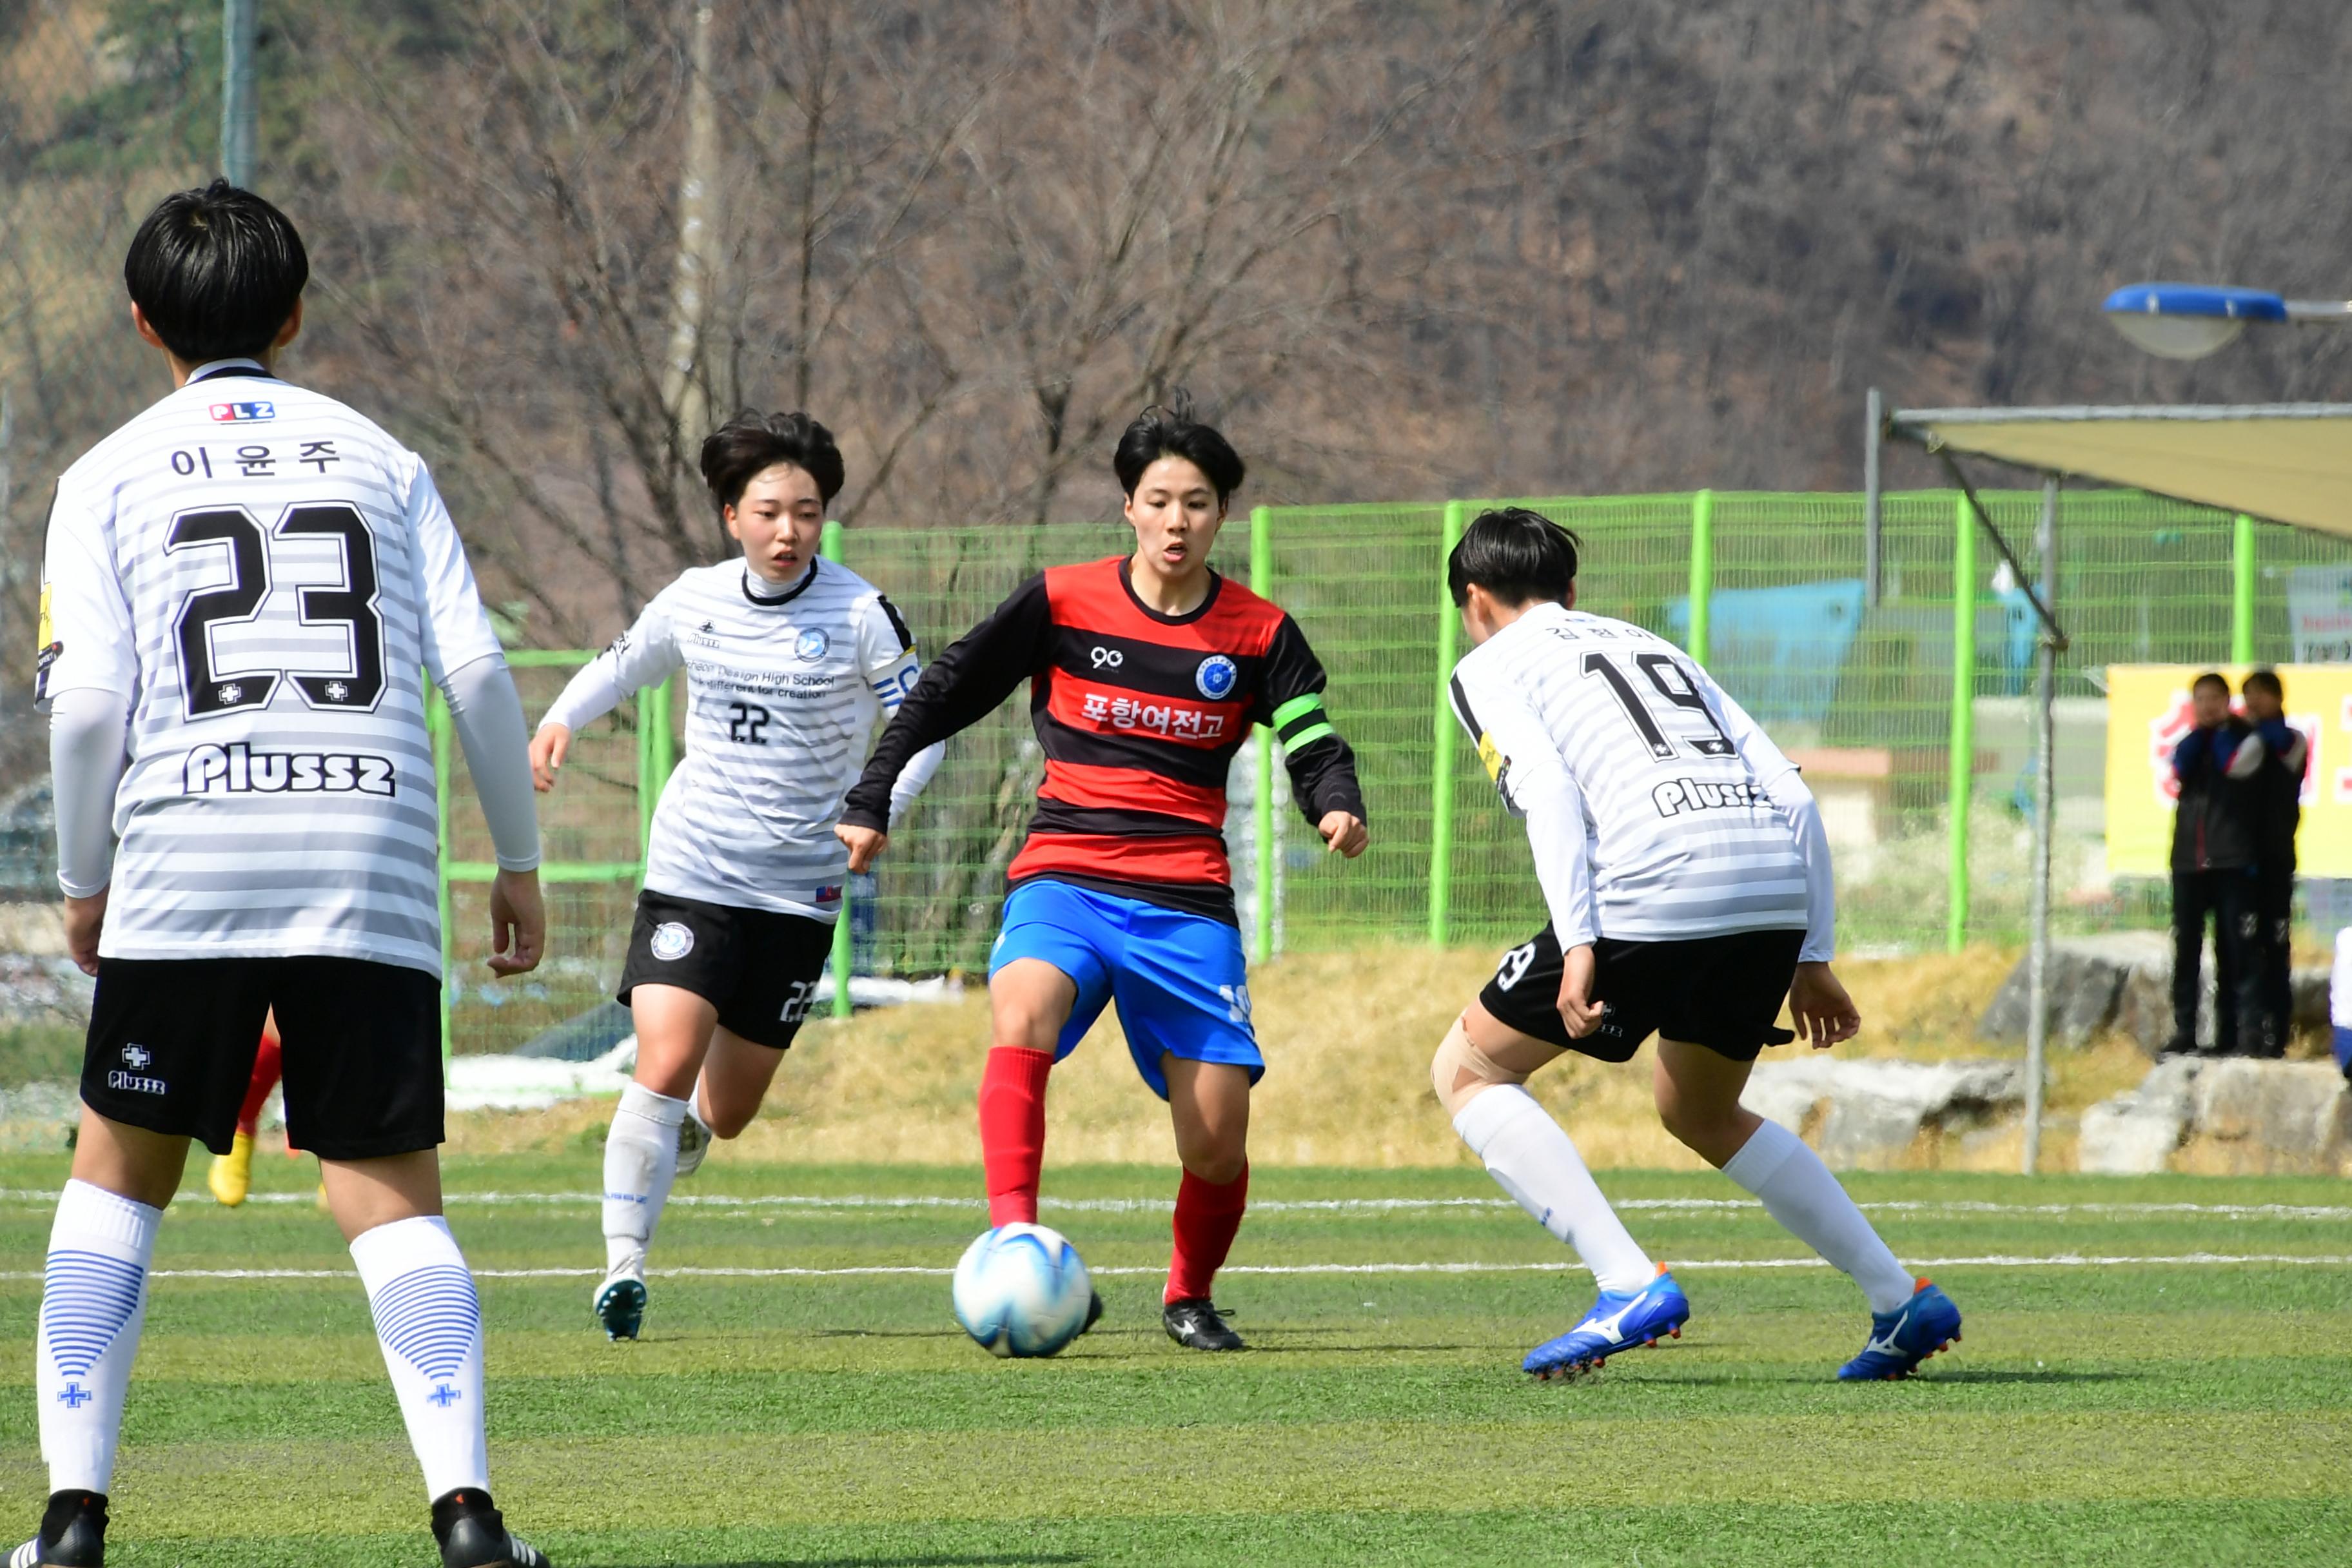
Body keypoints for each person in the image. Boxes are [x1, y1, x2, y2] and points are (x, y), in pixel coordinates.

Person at [23, 180, 553, 1568]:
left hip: (188, 856)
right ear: (299, 311)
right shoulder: (381, 456)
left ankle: (71, 1524)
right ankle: (469, 1517)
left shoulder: (109, 473)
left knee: (114, 1184)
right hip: (369, 851)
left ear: (144, 323)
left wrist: (87, 878)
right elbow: (480, 671)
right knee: (389, 1195)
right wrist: (518, 858)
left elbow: (84, 707)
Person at [836, 398, 1367, 1353]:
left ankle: (1188, 1294)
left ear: (1220, 515)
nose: (1177, 521)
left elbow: (1310, 737)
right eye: (1159, 500)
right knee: (1022, 1008)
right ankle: (1013, 1237)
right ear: (1128, 506)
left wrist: (1335, 800)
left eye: (1197, 504)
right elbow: (948, 688)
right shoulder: (1063, 601)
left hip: (1186, 901)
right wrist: (872, 795)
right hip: (1065, 876)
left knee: (1216, 1138)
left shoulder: (1260, 632)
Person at [1429, 507, 1959, 1381]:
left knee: (1470, 1069)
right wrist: (1812, 953)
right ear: (1570, 590)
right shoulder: (1654, 646)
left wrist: (1579, 941)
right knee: (1700, 1111)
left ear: (1476, 600)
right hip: (1768, 882)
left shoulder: (1489, 664)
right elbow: (1793, 795)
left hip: (1657, 883)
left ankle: (1627, 1282)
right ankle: (1899, 1298)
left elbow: (1551, 795)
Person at [531, 411, 943, 1343]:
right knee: (665, 1060)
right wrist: (560, 720)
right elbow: (623, 663)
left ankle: (681, 1136)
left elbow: (925, 729)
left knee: (727, 1108)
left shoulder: (860, 615)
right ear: (732, 517)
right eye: (769, 511)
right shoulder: (695, 600)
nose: (789, 530)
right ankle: (622, 1268)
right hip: (694, 869)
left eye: (806, 511)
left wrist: (880, 810)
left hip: (800, 890)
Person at [2168, 672, 2266, 1057]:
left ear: (2228, 701)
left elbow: (2232, 766)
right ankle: (2185, 1030)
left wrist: (2223, 731)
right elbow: (2178, 768)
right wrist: (2199, 736)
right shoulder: (2192, 743)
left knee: (2235, 949)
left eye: (2214, 698)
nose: (2207, 706)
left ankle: (2237, 1035)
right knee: (2187, 947)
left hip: (2232, 862)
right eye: (2200, 699)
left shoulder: (2244, 740)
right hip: (2189, 862)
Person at [2241, 669, 2306, 1057]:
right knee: (2247, 949)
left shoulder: (2292, 739)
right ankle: (2247, 1033)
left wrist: (2258, 727)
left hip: (2278, 856)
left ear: (2278, 698)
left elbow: (2285, 748)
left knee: (2276, 946)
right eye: (2248, 695)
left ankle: (2277, 1034)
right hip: (2244, 859)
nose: (2253, 703)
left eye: (2261, 695)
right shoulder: (2242, 738)